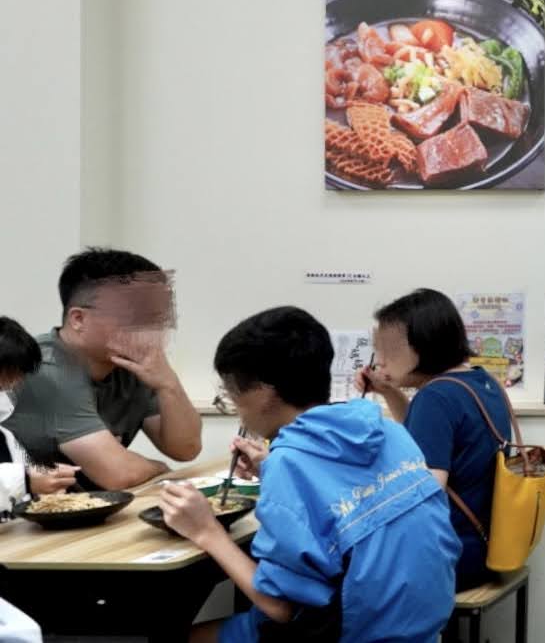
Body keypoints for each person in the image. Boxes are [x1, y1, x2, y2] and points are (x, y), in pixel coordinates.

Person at [159, 305, 460, 643]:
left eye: (231, 391)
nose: (232, 403)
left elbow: (280, 608)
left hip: (354, 632)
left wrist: (206, 530)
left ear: (262, 392)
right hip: (423, 628)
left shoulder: (290, 464)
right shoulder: (386, 429)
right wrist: (270, 468)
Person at [6, 248, 202, 489]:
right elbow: (119, 474)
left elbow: (185, 448)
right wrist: (160, 469)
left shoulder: (131, 361)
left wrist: (168, 383)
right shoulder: (44, 369)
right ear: (78, 319)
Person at [357, 287, 512, 591]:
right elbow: (427, 441)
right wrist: (389, 391)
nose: (381, 362)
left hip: (448, 558)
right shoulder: (480, 382)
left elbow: (425, 494)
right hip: (485, 548)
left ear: (423, 346)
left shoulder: (437, 396)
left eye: (389, 350)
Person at [0, 317, 80, 512]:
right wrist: (25, 480)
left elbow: (18, 499)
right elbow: (22, 479)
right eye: (7, 376)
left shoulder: (5, 438)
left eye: (15, 377)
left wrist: (47, 489)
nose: (11, 385)